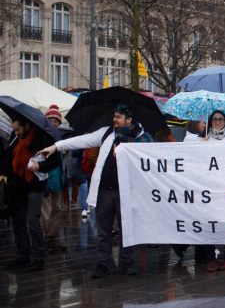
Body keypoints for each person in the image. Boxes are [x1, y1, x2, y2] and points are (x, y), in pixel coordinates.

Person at [38, 104, 154, 277]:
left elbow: (150, 159)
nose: (114, 119)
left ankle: (127, 263)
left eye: (119, 117)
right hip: (105, 190)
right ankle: (104, 263)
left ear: (129, 120)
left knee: (127, 229)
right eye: (114, 116)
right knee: (103, 230)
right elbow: (82, 140)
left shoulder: (143, 138)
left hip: (128, 192)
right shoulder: (107, 133)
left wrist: (125, 152)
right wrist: (57, 146)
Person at [1, 115, 61, 270]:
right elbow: (8, 155)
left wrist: (39, 167)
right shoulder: (16, 138)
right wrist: (5, 173)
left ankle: (38, 257)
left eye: (18, 129)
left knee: (32, 221)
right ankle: (23, 255)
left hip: (35, 185)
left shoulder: (43, 138)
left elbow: (56, 161)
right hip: (17, 185)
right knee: (18, 220)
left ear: (26, 125)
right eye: (14, 130)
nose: (16, 132)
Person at [199, 110, 225, 272]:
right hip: (208, 188)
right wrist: (201, 145)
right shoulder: (201, 139)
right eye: (214, 119)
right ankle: (210, 259)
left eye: (220, 119)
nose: (217, 122)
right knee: (208, 223)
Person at [41, 105, 67, 254]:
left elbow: (61, 164)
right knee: (46, 211)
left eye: (56, 120)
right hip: (46, 180)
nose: (53, 122)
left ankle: (52, 237)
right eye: (50, 119)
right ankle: (46, 238)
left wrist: (64, 179)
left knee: (57, 210)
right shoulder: (43, 138)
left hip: (57, 181)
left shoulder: (60, 138)